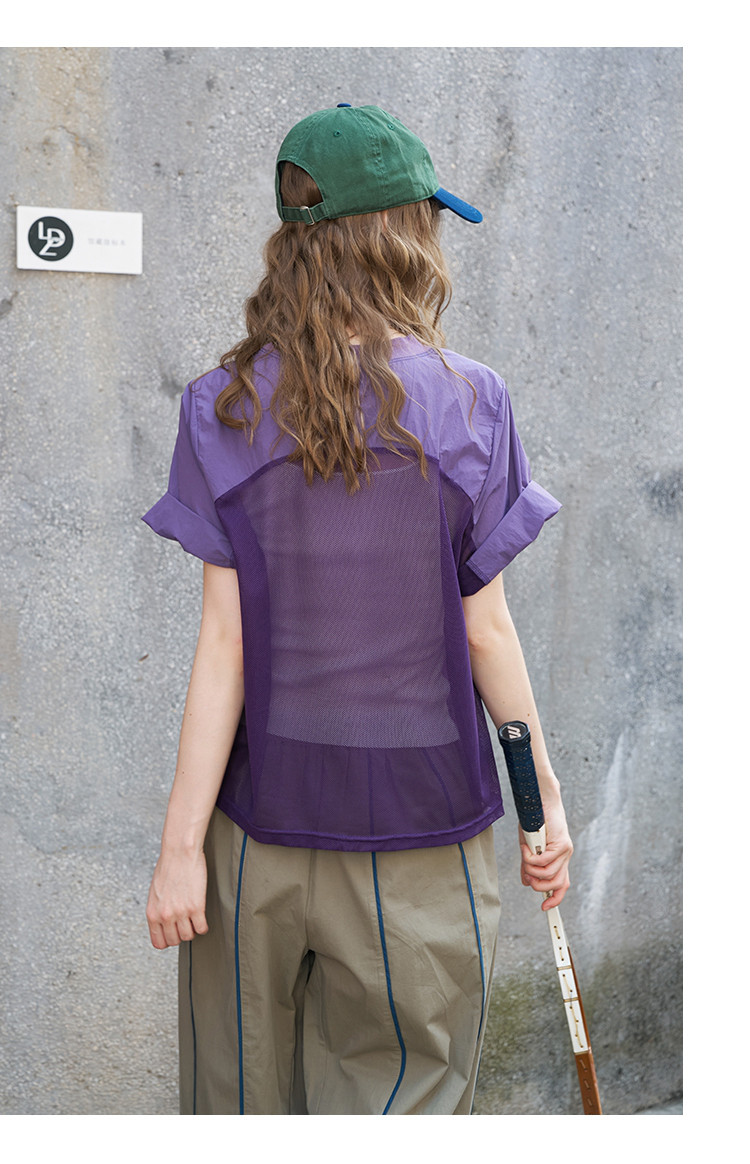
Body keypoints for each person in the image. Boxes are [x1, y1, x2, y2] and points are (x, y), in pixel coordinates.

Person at [142, 102, 573, 1116]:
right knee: (402, 1111)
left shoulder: (222, 406)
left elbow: (223, 645)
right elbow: (484, 629)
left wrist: (179, 852)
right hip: (423, 835)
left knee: (238, 1109)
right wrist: (542, 798)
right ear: (402, 235)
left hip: (255, 833)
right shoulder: (472, 401)